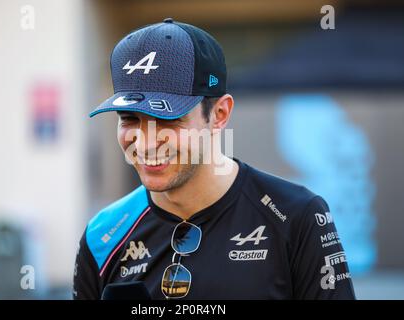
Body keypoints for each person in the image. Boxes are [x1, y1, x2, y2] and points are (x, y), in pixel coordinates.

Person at [73, 18, 355, 299]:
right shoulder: (103, 235)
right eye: (130, 118)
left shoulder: (296, 216)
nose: (146, 141)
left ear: (219, 114)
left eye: (166, 119)